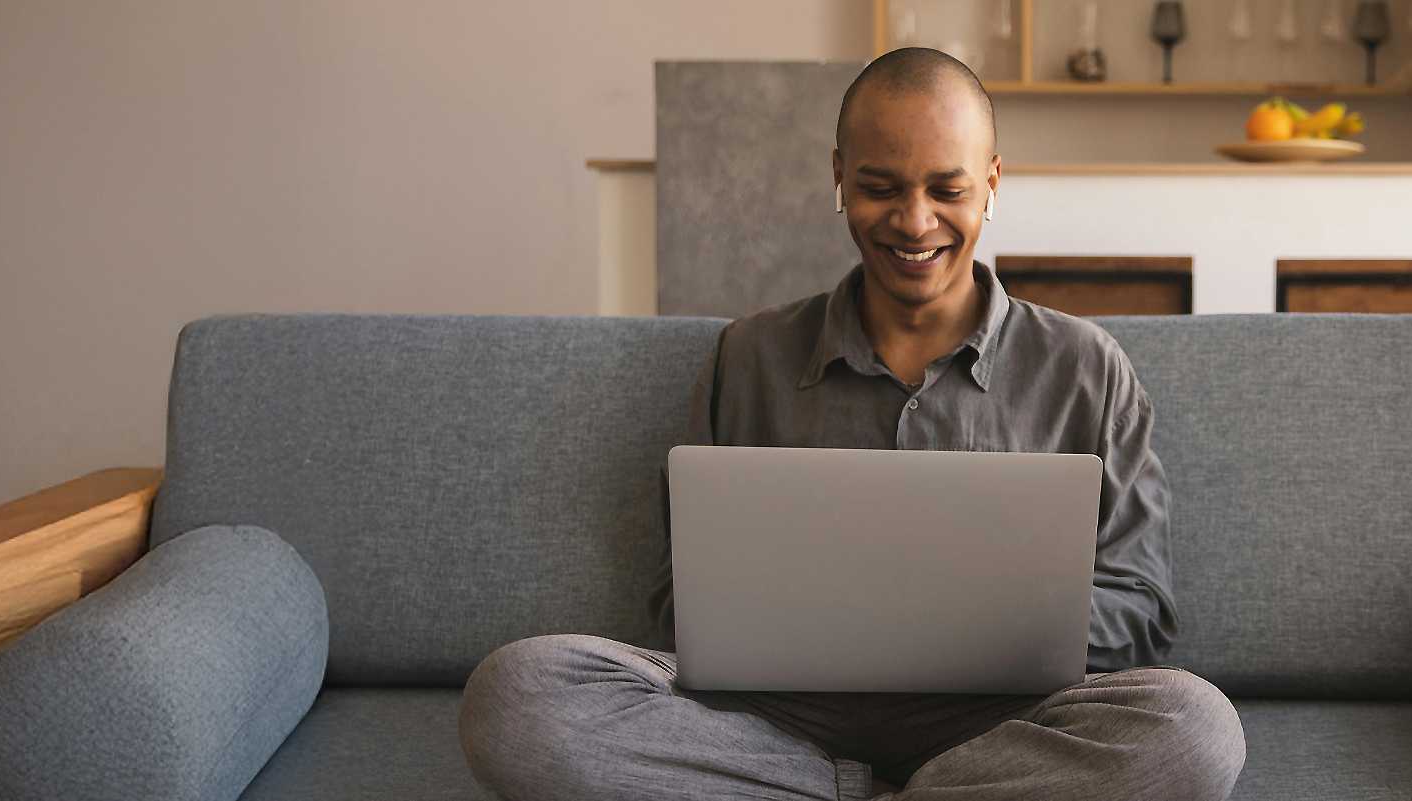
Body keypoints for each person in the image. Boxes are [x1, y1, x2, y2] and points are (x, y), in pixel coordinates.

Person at [456, 47, 1244, 801]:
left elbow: (1143, 607)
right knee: (518, 694)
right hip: (777, 724)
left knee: (1194, 727)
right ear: (838, 177)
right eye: (879, 186)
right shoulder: (750, 355)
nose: (913, 221)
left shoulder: (1085, 365)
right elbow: (678, 600)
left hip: (1002, 723)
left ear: (992, 184)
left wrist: (970, 619)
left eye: (947, 189)